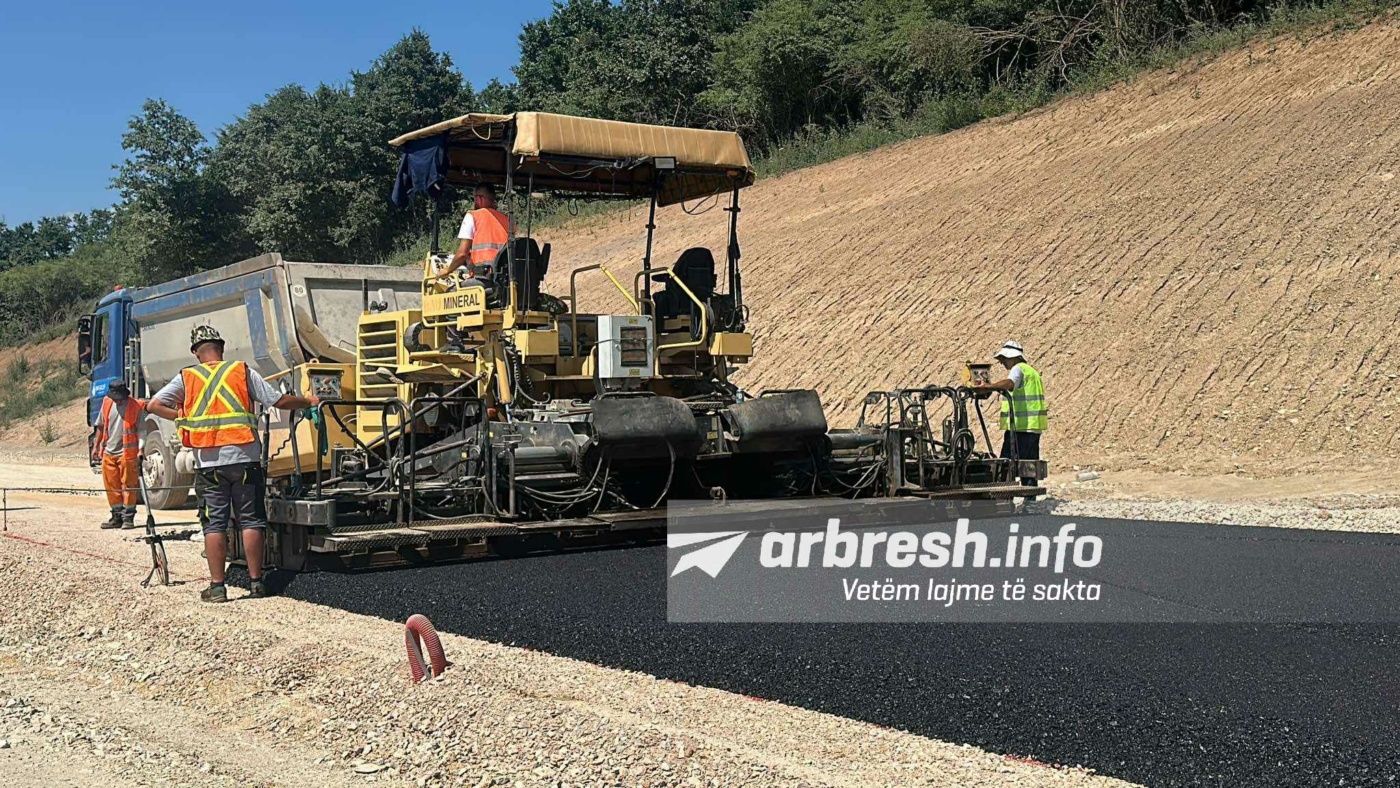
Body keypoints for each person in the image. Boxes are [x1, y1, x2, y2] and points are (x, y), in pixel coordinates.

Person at [145, 326, 319, 603]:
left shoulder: (187, 377)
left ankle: (217, 588)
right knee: (251, 519)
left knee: (214, 523)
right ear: (222, 348)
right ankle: (256, 583)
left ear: (196, 352)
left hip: (209, 463)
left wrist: (183, 417)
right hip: (245, 459)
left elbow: (153, 405)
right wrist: (308, 401)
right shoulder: (241, 371)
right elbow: (279, 400)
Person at [973, 340, 1047, 489]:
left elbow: (1010, 383)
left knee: (1007, 465)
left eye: (1003, 358)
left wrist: (988, 386)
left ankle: (1006, 495)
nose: (1002, 362)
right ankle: (1030, 496)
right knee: (1028, 464)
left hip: (1020, 427)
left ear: (1014, 357)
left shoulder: (1018, 369)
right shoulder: (1031, 372)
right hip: (1032, 427)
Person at [91, 379, 145, 529]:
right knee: (112, 487)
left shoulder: (136, 407)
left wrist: (141, 449)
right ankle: (116, 517)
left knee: (129, 486)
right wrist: (96, 446)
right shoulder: (107, 403)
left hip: (128, 454)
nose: (118, 401)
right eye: (115, 399)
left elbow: (142, 431)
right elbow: (101, 426)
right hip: (109, 452)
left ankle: (128, 518)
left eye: (120, 399)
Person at [436, 183, 513, 282]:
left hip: (483, 278)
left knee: (450, 290)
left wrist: (447, 270)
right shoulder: (506, 220)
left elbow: (462, 254)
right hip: (505, 279)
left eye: (475, 198)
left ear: (479, 199)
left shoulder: (473, 216)